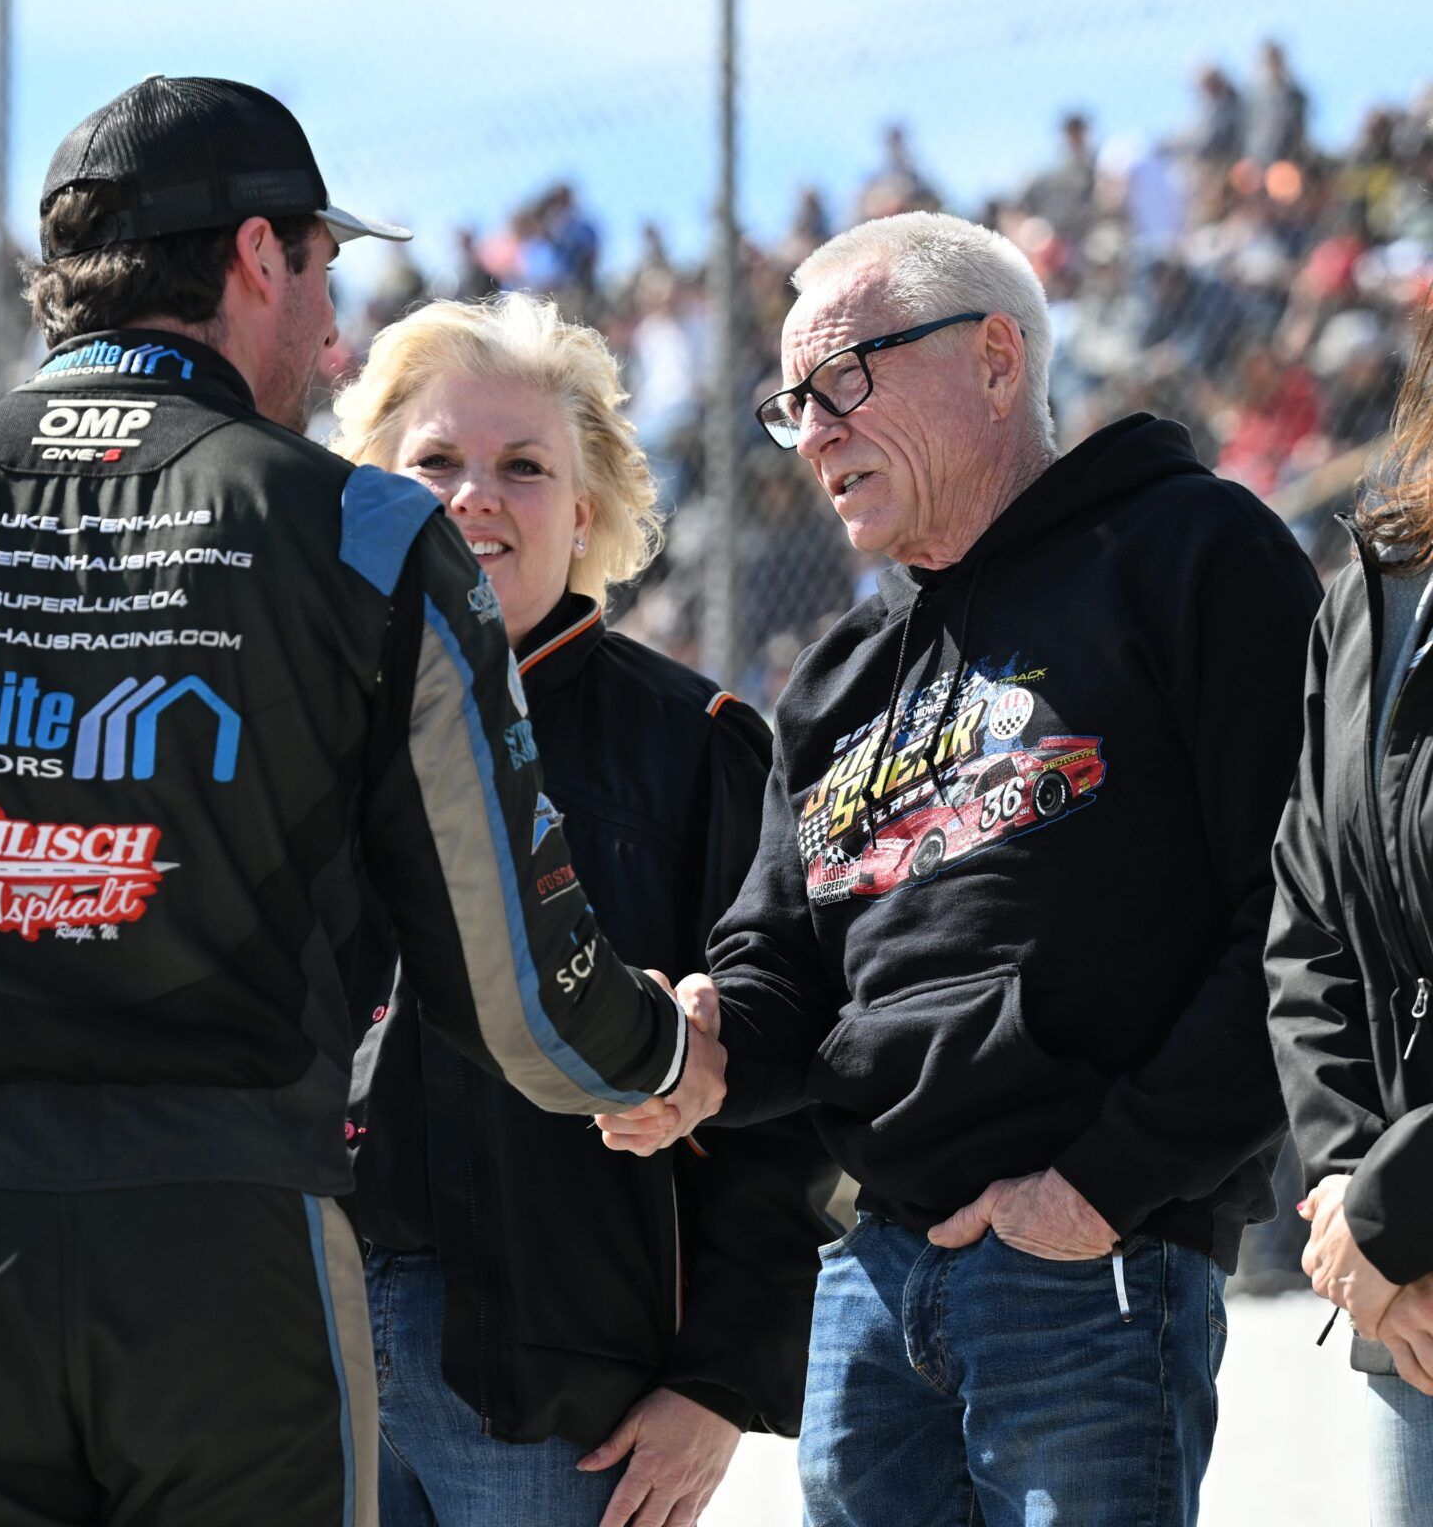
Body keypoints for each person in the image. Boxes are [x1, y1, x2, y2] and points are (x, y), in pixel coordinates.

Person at [0, 76, 721, 1524]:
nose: (331, 331)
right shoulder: (367, 533)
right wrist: (652, 1056)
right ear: (261, 256)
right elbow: (517, 987)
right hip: (234, 1267)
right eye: (325, 271)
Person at [603, 210, 1322, 1525]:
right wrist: (702, 1048)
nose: (812, 432)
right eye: (790, 405)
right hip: (872, 1274)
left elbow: (1296, 915)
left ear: (996, 359)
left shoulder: (1191, 553)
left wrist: (1108, 1186)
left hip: (1089, 1260)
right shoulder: (837, 673)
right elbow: (779, 981)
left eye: (842, 383)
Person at [330, 294, 839, 1527]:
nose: (476, 497)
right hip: (292, 1349)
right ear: (369, 493)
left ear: (589, 510)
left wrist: (720, 1379)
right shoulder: (290, 723)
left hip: (566, 1388)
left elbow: (783, 1078)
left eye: (524, 467)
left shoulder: (700, 747)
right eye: (435, 462)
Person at [1266, 299, 1433, 1525]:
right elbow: (1309, 917)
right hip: (1406, 1293)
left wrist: (1386, 1211)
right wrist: (1347, 1205)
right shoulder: (1371, 596)